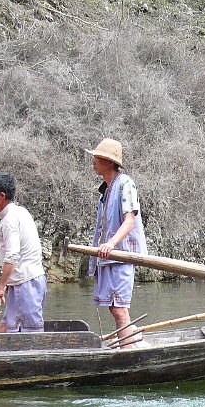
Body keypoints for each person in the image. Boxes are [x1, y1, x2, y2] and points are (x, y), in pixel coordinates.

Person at [85, 138, 149, 349]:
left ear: (109, 161)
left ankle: (127, 351)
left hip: (121, 255)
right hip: (109, 257)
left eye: (98, 157)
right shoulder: (106, 190)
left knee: (119, 308)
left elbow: (129, 220)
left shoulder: (125, 184)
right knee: (114, 308)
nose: (94, 161)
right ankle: (127, 346)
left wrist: (111, 244)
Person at [0, 172, 47, 332]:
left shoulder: (10, 221)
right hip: (27, 281)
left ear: (1, 196)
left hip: (25, 284)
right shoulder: (21, 212)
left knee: (27, 332)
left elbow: (12, 256)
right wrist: (6, 286)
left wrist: (1, 287)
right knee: (9, 327)